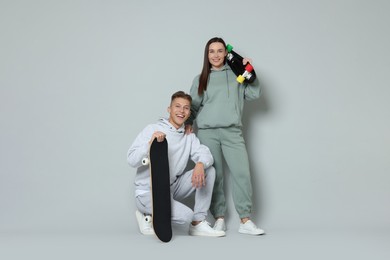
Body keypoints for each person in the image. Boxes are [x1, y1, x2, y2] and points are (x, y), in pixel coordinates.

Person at [185, 37, 265, 235]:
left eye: (220, 51)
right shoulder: (201, 78)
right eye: (211, 51)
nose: (216, 55)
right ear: (207, 55)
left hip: (232, 131)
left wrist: (250, 71)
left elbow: (254, 94)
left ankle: (245, 220)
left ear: (226, 53)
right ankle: (218, 218)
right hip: (208, 132)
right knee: (216, 176)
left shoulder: (237, 74)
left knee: (242, 173)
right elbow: (193, 106)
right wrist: (188, 123)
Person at [127, 91, 225, 237]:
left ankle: (198, 223)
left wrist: (200, 164)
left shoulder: (188, 136)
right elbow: (131, 159)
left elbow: (205, 154)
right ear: (169, 109)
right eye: (177, 106)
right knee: (186, 216)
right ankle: (147, 216)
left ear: (189, 112)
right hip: (148, 192)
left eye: (186, 108)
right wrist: (150, 145)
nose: (181, 111)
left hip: (171, 188)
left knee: (208, 170)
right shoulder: (152, 129)